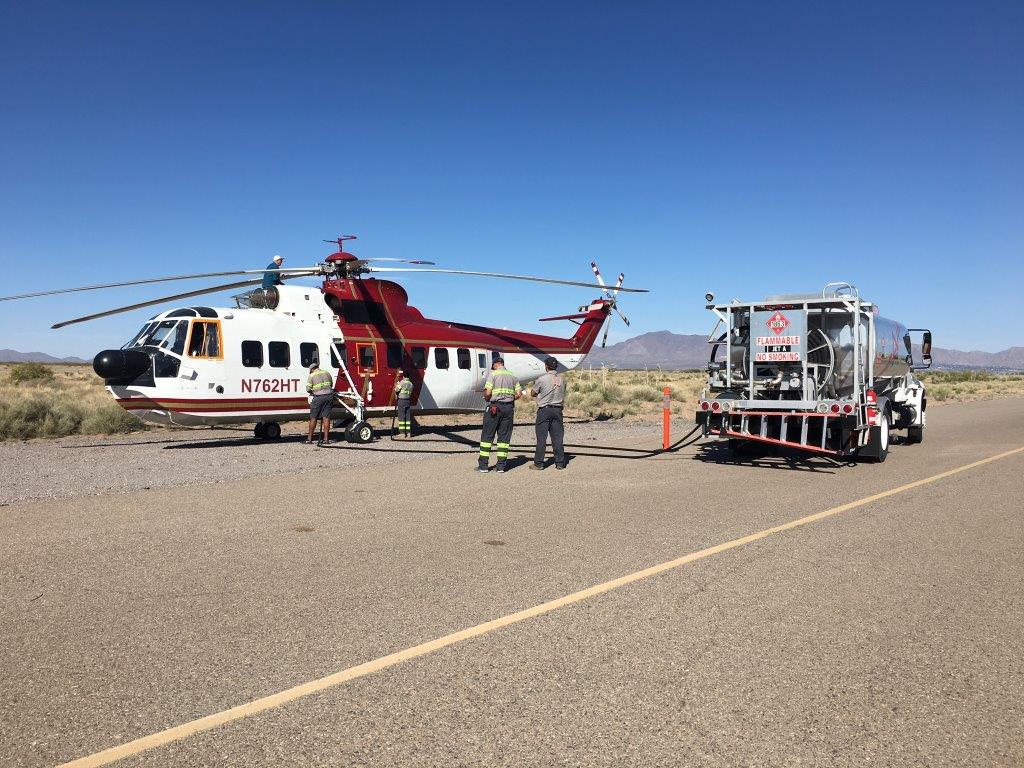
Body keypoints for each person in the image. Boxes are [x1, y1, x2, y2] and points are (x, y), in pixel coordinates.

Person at [477, 357, 521, 473]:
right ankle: (501, 466)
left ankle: (483, 466)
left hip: (494, 408)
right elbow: (519, 394)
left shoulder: (493, 374)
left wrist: (487, 399)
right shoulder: (512, 375)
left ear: (496, 364)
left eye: (493, 365)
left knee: (487, 437)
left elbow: (488, 392)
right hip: (508, 408)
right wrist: (510, 399)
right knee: (504, 437)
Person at [529, 357, 567, 470]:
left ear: (546, 366)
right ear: (556, 367)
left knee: (541, 438)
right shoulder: (562, 379)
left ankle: (539, 463)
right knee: (557, 437)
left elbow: (532, 393)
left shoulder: (542, 379)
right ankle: (560, 462)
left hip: (544, 410)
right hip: (558, 410)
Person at [305, 361, 334, 445]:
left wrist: (314, 390)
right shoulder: (327, 373)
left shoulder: (312, 375)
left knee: (313, 417)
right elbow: (331, 384)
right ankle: (326, 439)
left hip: (318, 398)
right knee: (326, 418)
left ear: (312, 369)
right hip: (329, 397)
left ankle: (309, 439)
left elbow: (308, 389)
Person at [393, 370, 414, 439]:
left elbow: (396, 389)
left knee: (401, 417)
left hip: (401, 401)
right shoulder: (411, 384)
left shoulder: (402, 382)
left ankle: (402, 433)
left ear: (404, 376)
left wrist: (396, 384)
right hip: (408, 401)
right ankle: (408, 433)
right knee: (407, 418)